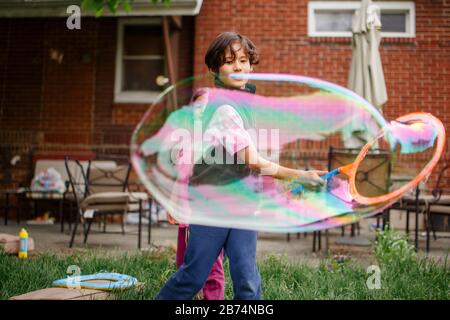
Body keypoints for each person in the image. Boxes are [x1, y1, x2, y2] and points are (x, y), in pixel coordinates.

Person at [156, 31, 326, 300]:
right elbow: (253, 160)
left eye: (244, 60)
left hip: (242, 205)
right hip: (211, 205)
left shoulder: (243, 100)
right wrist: (299, 176)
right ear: (215, 68)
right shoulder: (223, 107)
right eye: (228, 61)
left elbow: (245, 163)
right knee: (193, 276)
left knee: (246, 277)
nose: (238, 67)